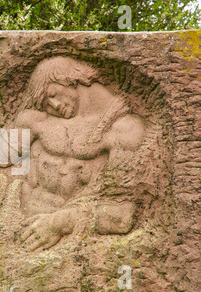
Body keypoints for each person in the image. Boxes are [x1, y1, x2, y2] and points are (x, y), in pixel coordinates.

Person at [15, 56, 147, 251]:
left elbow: (121, 216)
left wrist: (57, 224)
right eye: (45, 103)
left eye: (52, 94)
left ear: (71, 78)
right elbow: (1, 153)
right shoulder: (40, 121)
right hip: (19, 224)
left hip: (71, 242)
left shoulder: (126, 129)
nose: (53, 105)